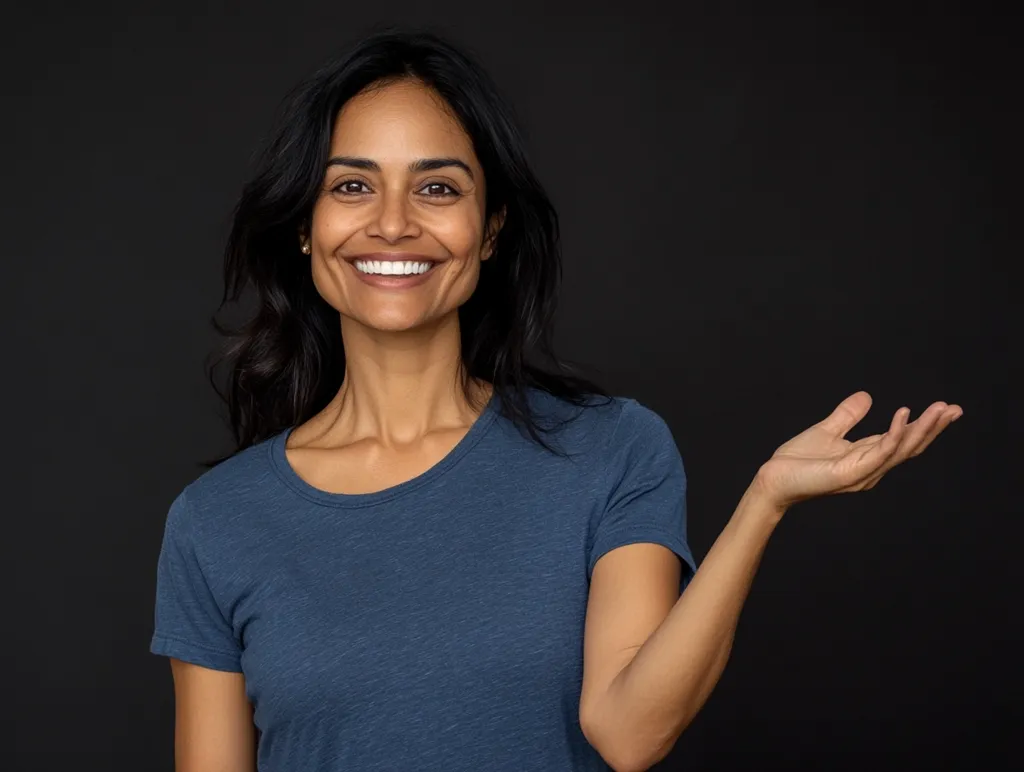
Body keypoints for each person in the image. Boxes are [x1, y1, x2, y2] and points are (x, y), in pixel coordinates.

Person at [149, 29, 963, 772]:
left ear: (491, 228)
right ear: (305, 225)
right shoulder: (216, 521)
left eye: (438, 189)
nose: (393, 224)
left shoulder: (612, 451)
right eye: (353, 185)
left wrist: (765, 502)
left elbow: (630, 733)